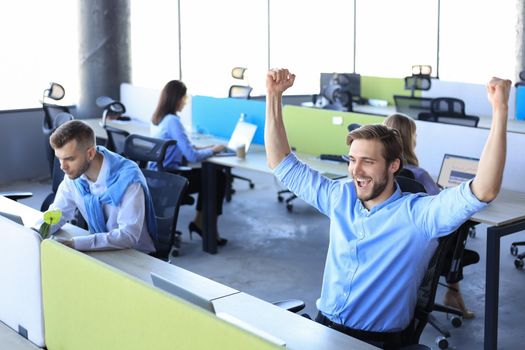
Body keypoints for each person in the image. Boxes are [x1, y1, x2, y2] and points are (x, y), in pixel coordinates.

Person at [265, 68, 510, 349]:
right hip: (324, 329)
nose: (356, 170)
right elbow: (281, 162)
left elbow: (485, 189)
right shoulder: (340, 196)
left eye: (367, 161)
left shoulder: (419, 215)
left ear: (393, 165)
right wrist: (274, 96)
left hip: (374, 342)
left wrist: (500, 110)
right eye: (352, 159)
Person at [384, 113, 478, 319]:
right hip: (424, 245)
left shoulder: (382, 171)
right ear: (410, 139)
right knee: (460, 229)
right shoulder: (419, 175)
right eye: (415, 134)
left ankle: (453, 295)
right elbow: (442, 206)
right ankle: (454, 293)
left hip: (392, 242)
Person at [46, 120, 157, 253]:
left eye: (70, 159)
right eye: (59, 158)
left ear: (90, 154)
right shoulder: (75, 177)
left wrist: (75, 243)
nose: (62, 166)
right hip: (101, 250)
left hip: (135, 255)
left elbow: (128, 236)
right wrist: (37, 231)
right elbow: (58, 213)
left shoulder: (128, 180)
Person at [150, 80, 228, 246]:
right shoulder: (173, 121)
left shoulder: (161, 119)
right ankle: (205, 227)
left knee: (212, 176)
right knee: (217, 178)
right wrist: (213, 151)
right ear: (176, 99)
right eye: (184, 98)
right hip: (169, 179)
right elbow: (192, 156)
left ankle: (200, 222)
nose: (185, 102)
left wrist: (208, 147)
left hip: (157, 176)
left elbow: (184, 147)